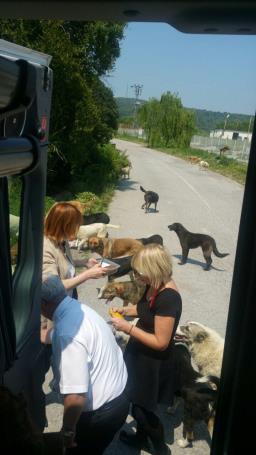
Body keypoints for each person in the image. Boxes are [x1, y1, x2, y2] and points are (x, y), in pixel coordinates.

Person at [41, 275, 129, 454]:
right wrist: (42, 335)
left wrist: (68, 430)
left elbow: (76, 396)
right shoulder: (78, 309)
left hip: (102, 414)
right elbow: (64, 333)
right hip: (120, 397)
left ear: (43, 303)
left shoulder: (67, 334)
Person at [111, 243, 182, 455]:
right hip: (140, 355)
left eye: (139, 271)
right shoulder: (154, 286)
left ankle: (161, 449)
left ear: (153, 269)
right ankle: (140, 439)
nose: (135, 274)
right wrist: (126, 310)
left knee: (142, 410)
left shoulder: (169, 297)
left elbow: (161, 342)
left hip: (153, 362)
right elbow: (145, 309)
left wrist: (127, 328)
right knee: (136, 401)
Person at [43, 202, 106, 301]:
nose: (77, 230)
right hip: (55, 308)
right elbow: (53, 287)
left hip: (69, 295)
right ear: (64, 226)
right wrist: (88, 274)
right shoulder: (45, 249)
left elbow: (62, 263)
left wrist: (84, 262)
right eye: (75, 226)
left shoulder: (62, 240)